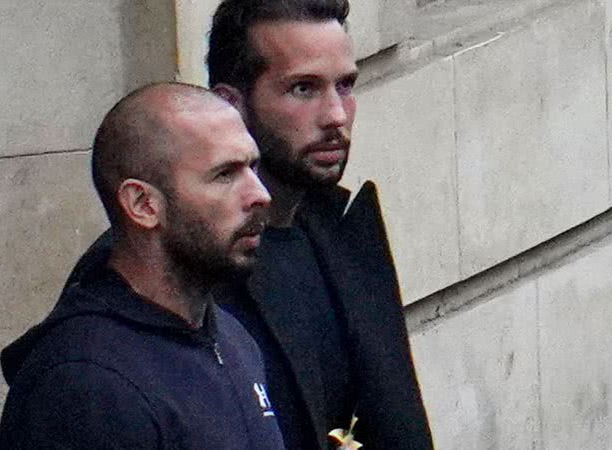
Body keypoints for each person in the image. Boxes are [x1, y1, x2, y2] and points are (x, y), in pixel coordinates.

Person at [63, 0, 434, 448]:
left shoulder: (342, 232)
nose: (336, 115)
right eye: (303, 89)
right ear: (230, 104)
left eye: (346, 85)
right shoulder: (167, 257)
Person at [0, 83, 285, 450]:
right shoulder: (86, 385)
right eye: (225, 174)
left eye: (252, 167)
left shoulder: (232, 340)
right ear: (143, 204)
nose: (259, 194)